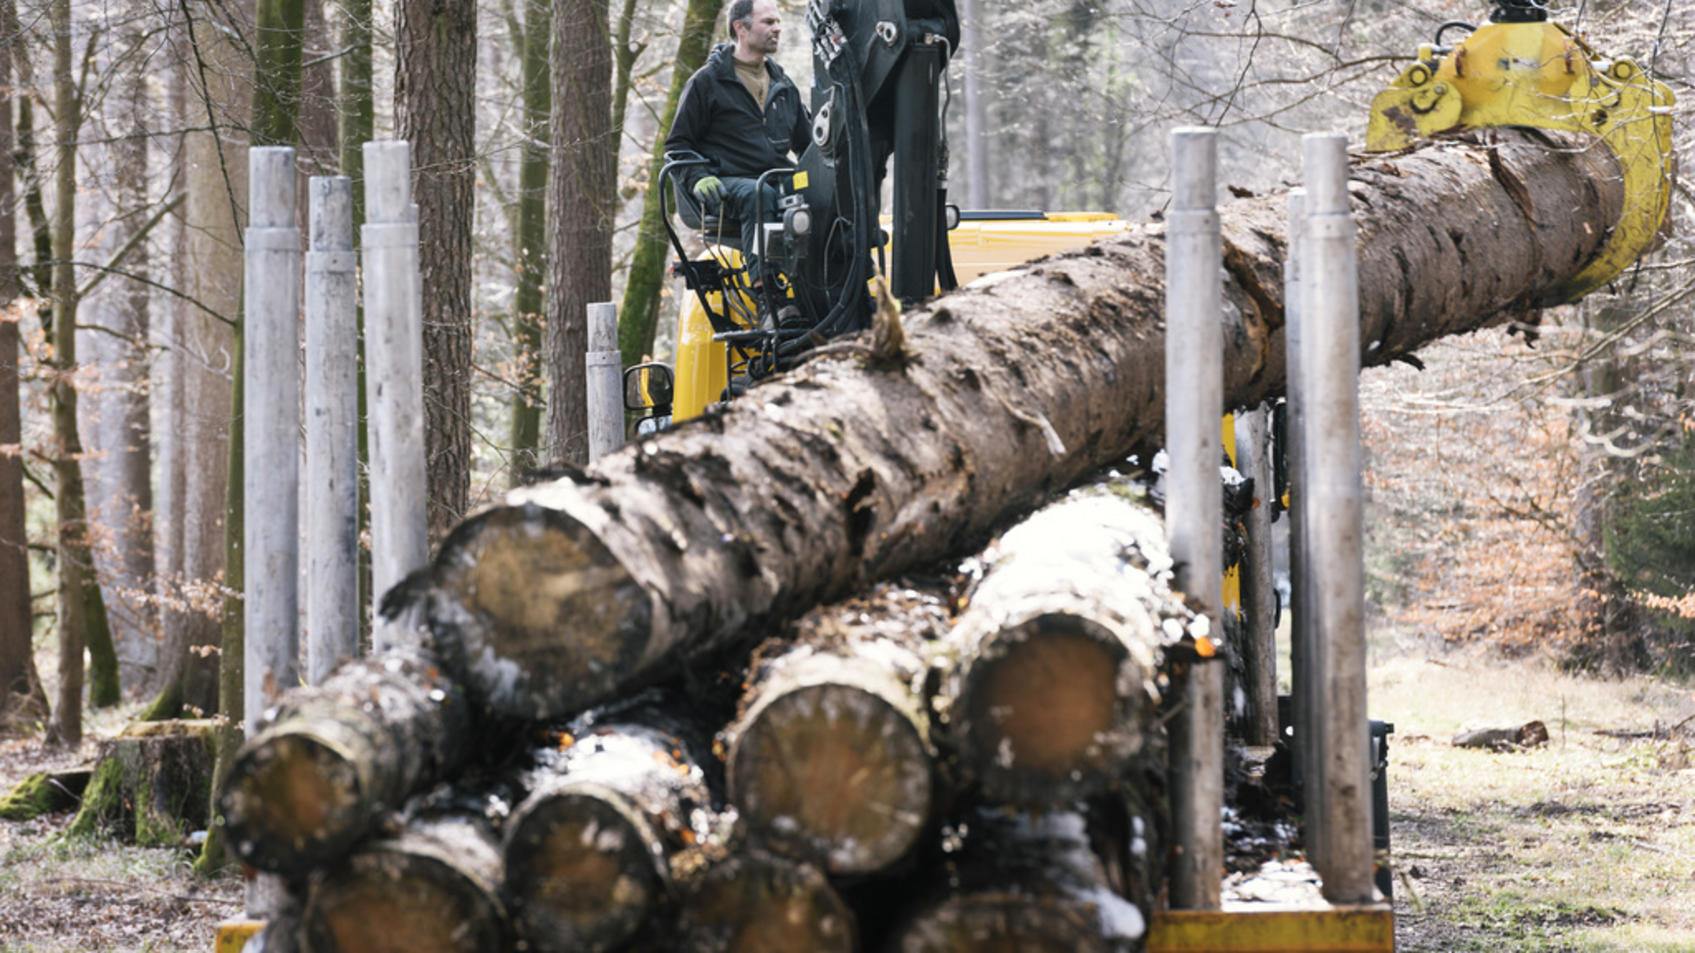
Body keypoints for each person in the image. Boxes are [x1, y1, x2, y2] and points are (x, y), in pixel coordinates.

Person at [664, 0, 812, 283]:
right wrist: (698, 177)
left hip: (774, 180)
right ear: (741, 28)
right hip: (726, 186)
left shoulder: (783, 85)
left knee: (821, 194)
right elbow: (677, 145)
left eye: (778, 22)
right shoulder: (707, 82)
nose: (777, 28)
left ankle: (829, 284)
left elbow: (807, 145)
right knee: (758, 194)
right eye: (768, 22)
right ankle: (766, 288)